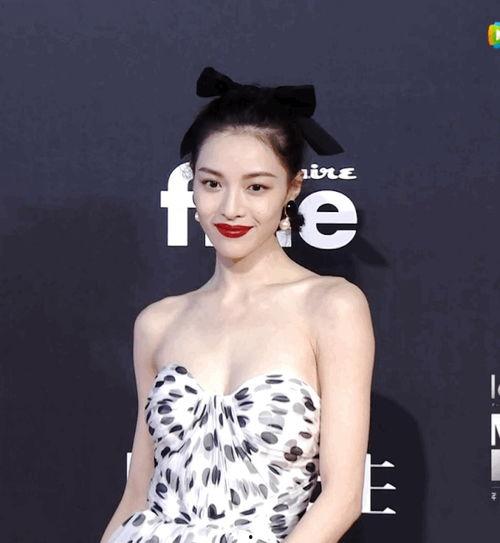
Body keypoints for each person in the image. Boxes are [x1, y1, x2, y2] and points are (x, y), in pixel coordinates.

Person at [101, 67, 375, 543]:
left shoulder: (332, 307)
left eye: (256, 187)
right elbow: (138, 493)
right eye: (212, 184)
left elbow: (343, 497)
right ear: (191, 185)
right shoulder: (157, 322)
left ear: (292, 188)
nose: (230, 208)